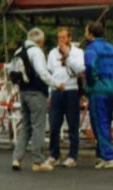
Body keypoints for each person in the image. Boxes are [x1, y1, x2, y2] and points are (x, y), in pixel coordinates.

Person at [83, 21, 113, 169]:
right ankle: (101, 155)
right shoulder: (111, 48)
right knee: (106, 121)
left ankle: (108, 156)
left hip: (97, 90)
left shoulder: (91, 49)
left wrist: (91, 82)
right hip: (110, 89)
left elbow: (90, 66)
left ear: (90, 33)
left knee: (98, 122)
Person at [10, 27, 54, 172]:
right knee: (38, 126)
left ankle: (17, 158)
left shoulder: (18, 51)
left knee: (26, 126)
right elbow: (42, 71)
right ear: (40, 40)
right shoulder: (36, 52)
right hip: (36, 92)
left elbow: (12, 73)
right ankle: (38, 161)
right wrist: (55, 84)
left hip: (23, 92)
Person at [47, 26, 85, 167]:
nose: (61, 40)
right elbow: (49, 73)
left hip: (71, 90)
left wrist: (68, 56)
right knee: (54, 124)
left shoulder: (78, 52)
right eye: (59, 38)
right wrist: (49, 92)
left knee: (73, 124)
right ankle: (54, 154)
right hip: (57, 90)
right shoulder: (52, 53)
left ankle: (72, 155)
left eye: (64, 37)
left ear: (69, 38)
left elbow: (80, 69)